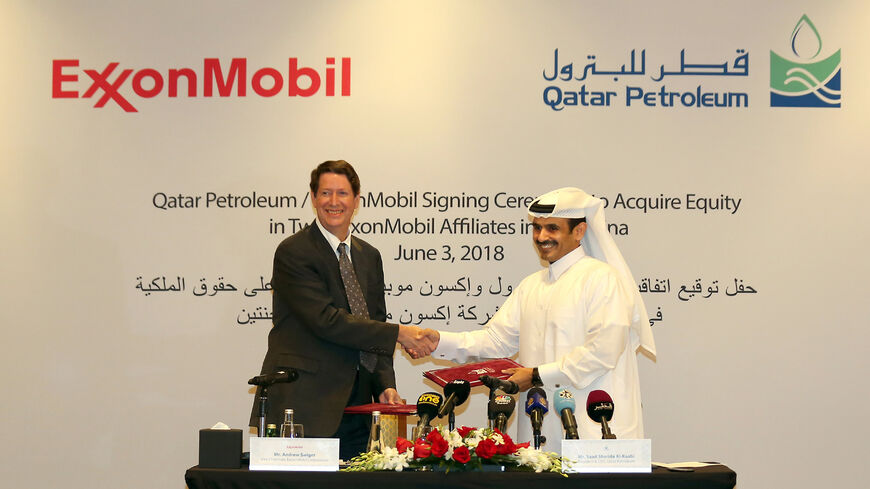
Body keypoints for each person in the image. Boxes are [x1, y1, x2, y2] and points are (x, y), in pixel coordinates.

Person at [417, 187, 656, 451]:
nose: (542, 237)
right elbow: (496, 339)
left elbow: (603, 351)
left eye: (552, 228)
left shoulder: (603, 279)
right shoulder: (531, 285)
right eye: (537, 228)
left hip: (594, 433)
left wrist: (536, 375)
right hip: (539, 431)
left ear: (579, 232)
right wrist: (437, 341)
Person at [249, 160, 436, 460]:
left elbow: (374, 323)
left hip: (358, 410)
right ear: (312, 198)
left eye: (342, 194)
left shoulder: (369, 256)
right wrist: (400, 334)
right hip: (305, 408)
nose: (333, 202)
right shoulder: (293, 252)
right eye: (325, 193)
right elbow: (328, 321)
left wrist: (385, 386)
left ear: (356, 200)